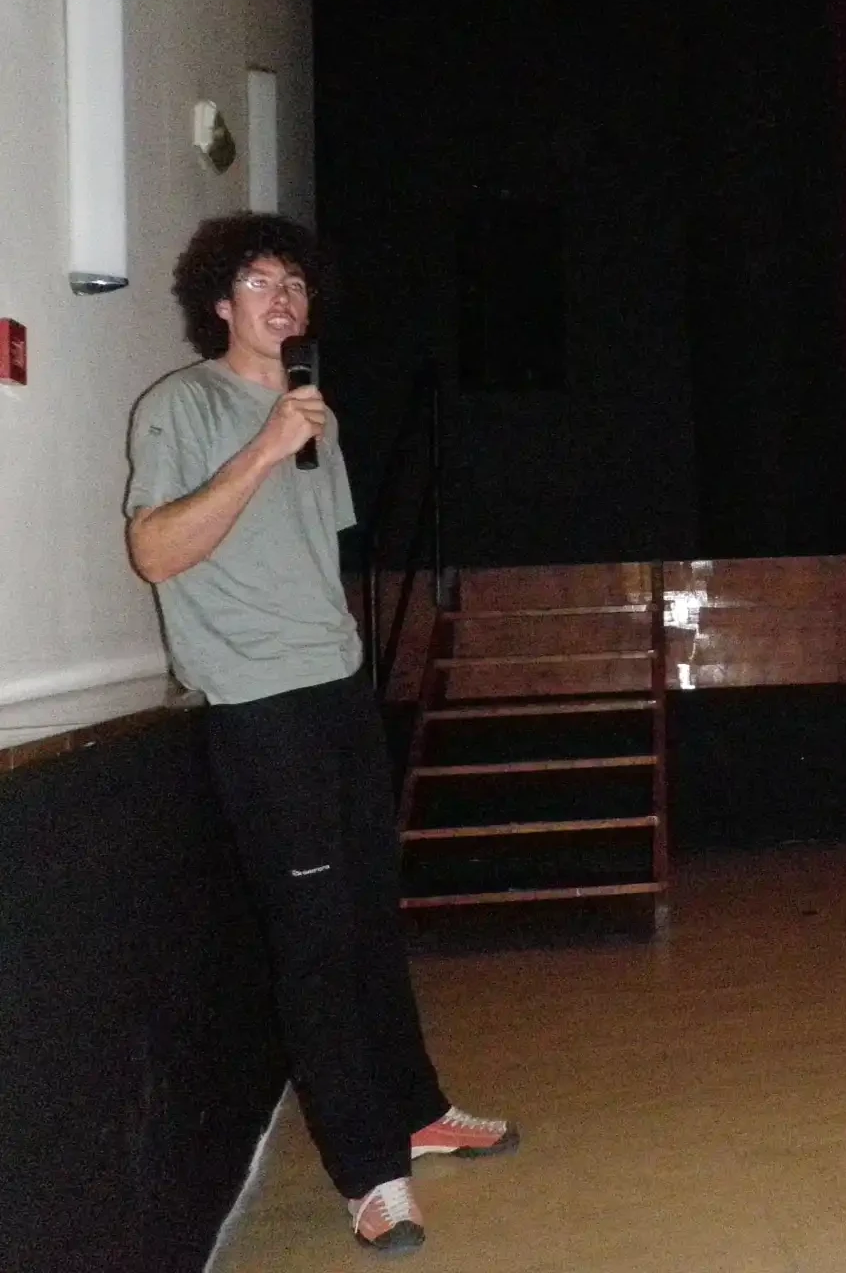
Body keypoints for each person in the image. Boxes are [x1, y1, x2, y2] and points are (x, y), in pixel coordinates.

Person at [125, 214, 515, 1256]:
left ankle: (417, 1108)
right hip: (258, 705)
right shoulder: (183, 405)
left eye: (294, 282)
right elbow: (157, 550)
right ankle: (368, 1173)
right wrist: (264, 446)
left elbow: (303, 548)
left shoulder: (317, 415)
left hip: (335, 690)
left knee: (369, 916)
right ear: (220, 302)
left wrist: (339, 633)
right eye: (259, 281)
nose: (282, 298)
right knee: (313, 944)